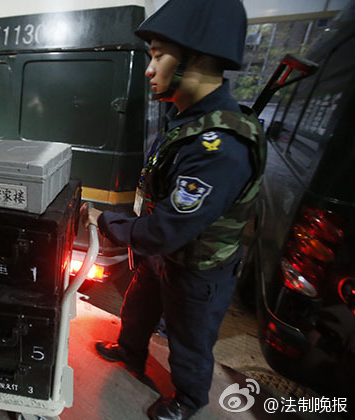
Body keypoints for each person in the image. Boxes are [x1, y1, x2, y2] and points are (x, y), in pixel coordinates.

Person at [83, 0, 266, 419]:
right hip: (163, 255)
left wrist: (109, 224)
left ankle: (188, 399)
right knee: (138, 307)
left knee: (190, 338)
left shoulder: (220, 147)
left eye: (158, 55)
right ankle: (130, 351)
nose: (150, 69)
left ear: (196, 60)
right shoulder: (186, 121)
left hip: (198, 266)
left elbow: (168, 229)